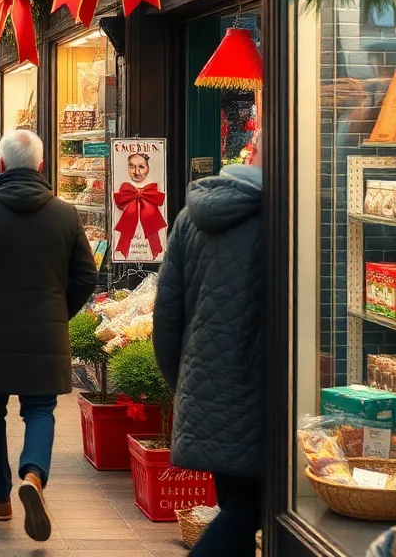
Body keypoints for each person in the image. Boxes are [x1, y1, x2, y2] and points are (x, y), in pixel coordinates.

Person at [0, 130, 97, 543]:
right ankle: (33, 474)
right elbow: (86, 275)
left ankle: (0, 499)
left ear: (3, 165)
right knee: (40, 409)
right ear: (42, 166)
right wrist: (58, 312)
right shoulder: (65, 214)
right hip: (46, 331)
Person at [154, 161, 264, 556]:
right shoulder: (284, 215)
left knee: (237, 504)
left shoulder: (189, 217)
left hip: (207, 388)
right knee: (248, 510)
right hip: (262, 392)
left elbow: (166, 317)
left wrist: (183, 382)